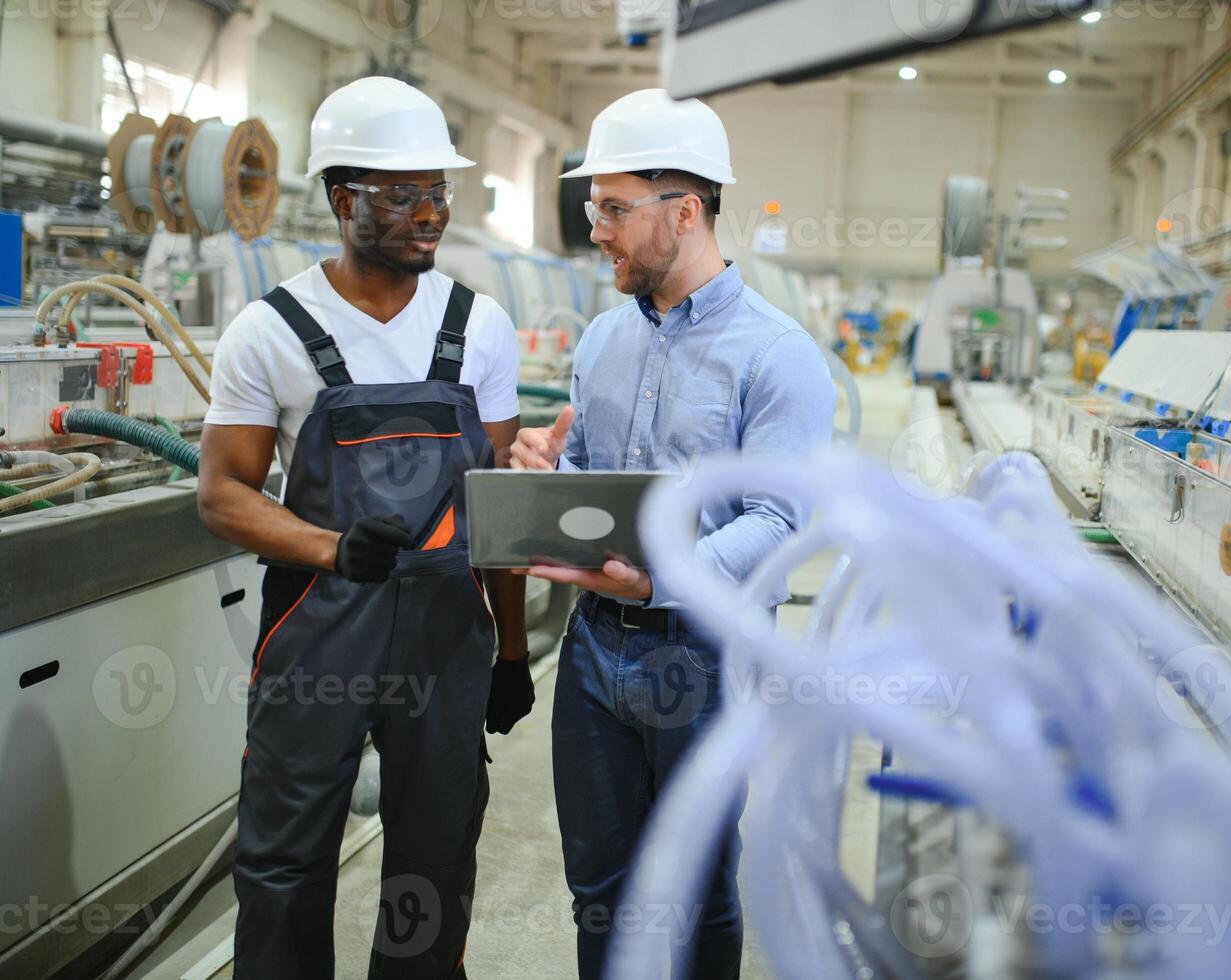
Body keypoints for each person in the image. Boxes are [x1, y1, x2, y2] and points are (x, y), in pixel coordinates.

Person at [197, 77, 534, 979]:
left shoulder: (480, 326)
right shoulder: (270, 332)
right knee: (283, 856)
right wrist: (328, 548)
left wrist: (510, 653)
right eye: (403, 195)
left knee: (434, 853)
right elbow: (222, 493)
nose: (429, 216)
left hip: (445, 638)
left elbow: (495, 506)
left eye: (438, 194)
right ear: (344, 200)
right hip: (320, 632)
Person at [510, 88, 836, 979]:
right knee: (601, 890)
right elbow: (598, 497)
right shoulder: (603, 343)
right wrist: (546, 475)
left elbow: (781, 521)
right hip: (591, 651)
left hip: (702, 655)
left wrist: (661, 578)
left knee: (692, 892)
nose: (598, 232)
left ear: (684, 212)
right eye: (593, 210)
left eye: (614, 210)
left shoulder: (777, 357)